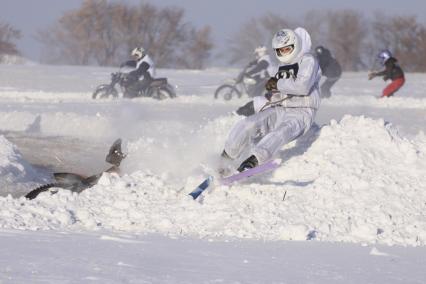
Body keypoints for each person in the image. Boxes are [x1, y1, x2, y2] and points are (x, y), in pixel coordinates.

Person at [220, 27, 321, 173]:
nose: (284, 53)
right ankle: (225, 159)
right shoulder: (283, 66)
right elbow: (280, 90)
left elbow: (302, 87)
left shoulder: (308, 60)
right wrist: (271, 89)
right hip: (281, 108)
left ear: (295, 45)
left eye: (287, 49)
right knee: (248, 124)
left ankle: (253, 162)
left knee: (280, 133)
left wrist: (277, 84)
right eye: (280, 50)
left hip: (302, 112)